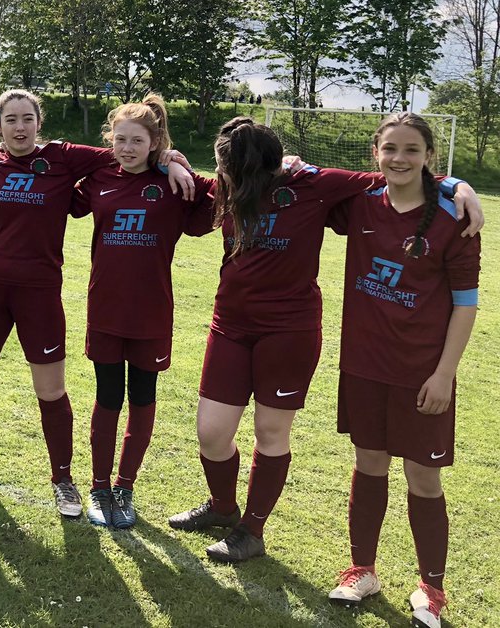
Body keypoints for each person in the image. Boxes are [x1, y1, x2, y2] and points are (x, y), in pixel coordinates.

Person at [167, 116, 482, 564]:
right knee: (211, 433)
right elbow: (181, 189)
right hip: (229, 327)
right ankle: (222, 507)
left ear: (272, 166)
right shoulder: (226, 184)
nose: (233, 184)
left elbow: (396, 171)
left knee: (270, 431)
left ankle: (251, 531)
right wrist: (168, 159)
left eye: (240, 175)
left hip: (289, 331)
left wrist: (458, 185)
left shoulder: (313, 184)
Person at [0, 88, 192, 519]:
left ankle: (63, 481)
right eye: (10, 121)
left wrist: (170, 159)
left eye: (27, 119)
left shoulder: (64, 158)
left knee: (50, 388)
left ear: (39, 122)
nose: (19, 128)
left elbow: (125, 150)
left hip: (40, 291)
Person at [324, 114, 480, 628]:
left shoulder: (453, 217)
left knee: (423, 477)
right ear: (375, 153)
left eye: (412, 150)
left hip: (423, 374)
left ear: (429, 156)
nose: (399, 158)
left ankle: (431, 590)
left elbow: (465, 304)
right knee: (369, 463)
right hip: (366, 367)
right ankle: (361, 571)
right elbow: (296, 176)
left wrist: (444, 375)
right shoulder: (361, 203)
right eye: (390, 149)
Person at [70, 94, 216, 529]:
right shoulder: (99, 177)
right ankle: (98, 486)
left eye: (137, 141)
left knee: (143, 398)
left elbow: (224, 193)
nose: (127, 148)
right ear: (110, 141)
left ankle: (125, 486)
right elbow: (59, 185)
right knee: (108, 396)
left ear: (154, 143)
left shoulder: (173, 182)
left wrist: (178, 163)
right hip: (106, 307)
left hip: (152, 311)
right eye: (120, 140)